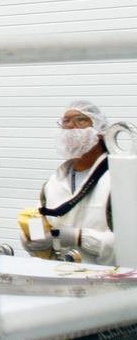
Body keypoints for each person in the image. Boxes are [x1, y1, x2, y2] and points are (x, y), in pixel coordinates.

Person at [22, 100, 116, 265]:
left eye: (80, 120)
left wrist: (78, 237)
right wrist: (32, 242)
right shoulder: (54, 183)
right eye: (65, 122)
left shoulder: (119, 179)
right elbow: (38, 221)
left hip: (107, 282)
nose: (70, 127)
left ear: (100, 131)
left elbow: (130, 245)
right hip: (61, 279)